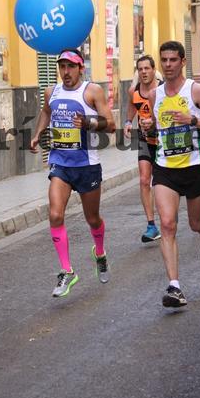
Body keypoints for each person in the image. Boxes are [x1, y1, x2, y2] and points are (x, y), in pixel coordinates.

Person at [140, 41, 200, 309]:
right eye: (164, 60)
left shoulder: (195, 91)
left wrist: (193, 120)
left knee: (195, 223)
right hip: (165, 168)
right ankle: (174, 286)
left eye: (173, 60)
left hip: (195, 167)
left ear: (183, 62)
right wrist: (148, 127)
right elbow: (153, 132)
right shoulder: (154, 95)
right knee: (167, 224)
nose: (167, 65)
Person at [30, 48, 115, 298]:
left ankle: (99, 252)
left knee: (93, 219)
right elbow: (46, 111)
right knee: (55, 214)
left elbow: (110, 123)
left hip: (86, 165)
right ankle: (67, 271)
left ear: (81, 68)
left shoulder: (92, 91)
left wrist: (88, 123)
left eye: (71, 67)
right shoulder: (51, 91)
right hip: (60, 163)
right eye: (62, 67)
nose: (66, 72)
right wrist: (37, 134)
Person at [124, 55, 162, 242]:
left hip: (164, 141)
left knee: (162, 183)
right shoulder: (134, 90)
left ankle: (168, 217)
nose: (144, 72)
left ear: (154, 70)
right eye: (140, 69)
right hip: (145, 139)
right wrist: (128, 122)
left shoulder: (163, 89)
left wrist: (154, 122)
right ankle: (151, 225)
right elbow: (133, 105)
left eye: (147, 68)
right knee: (144, 180)